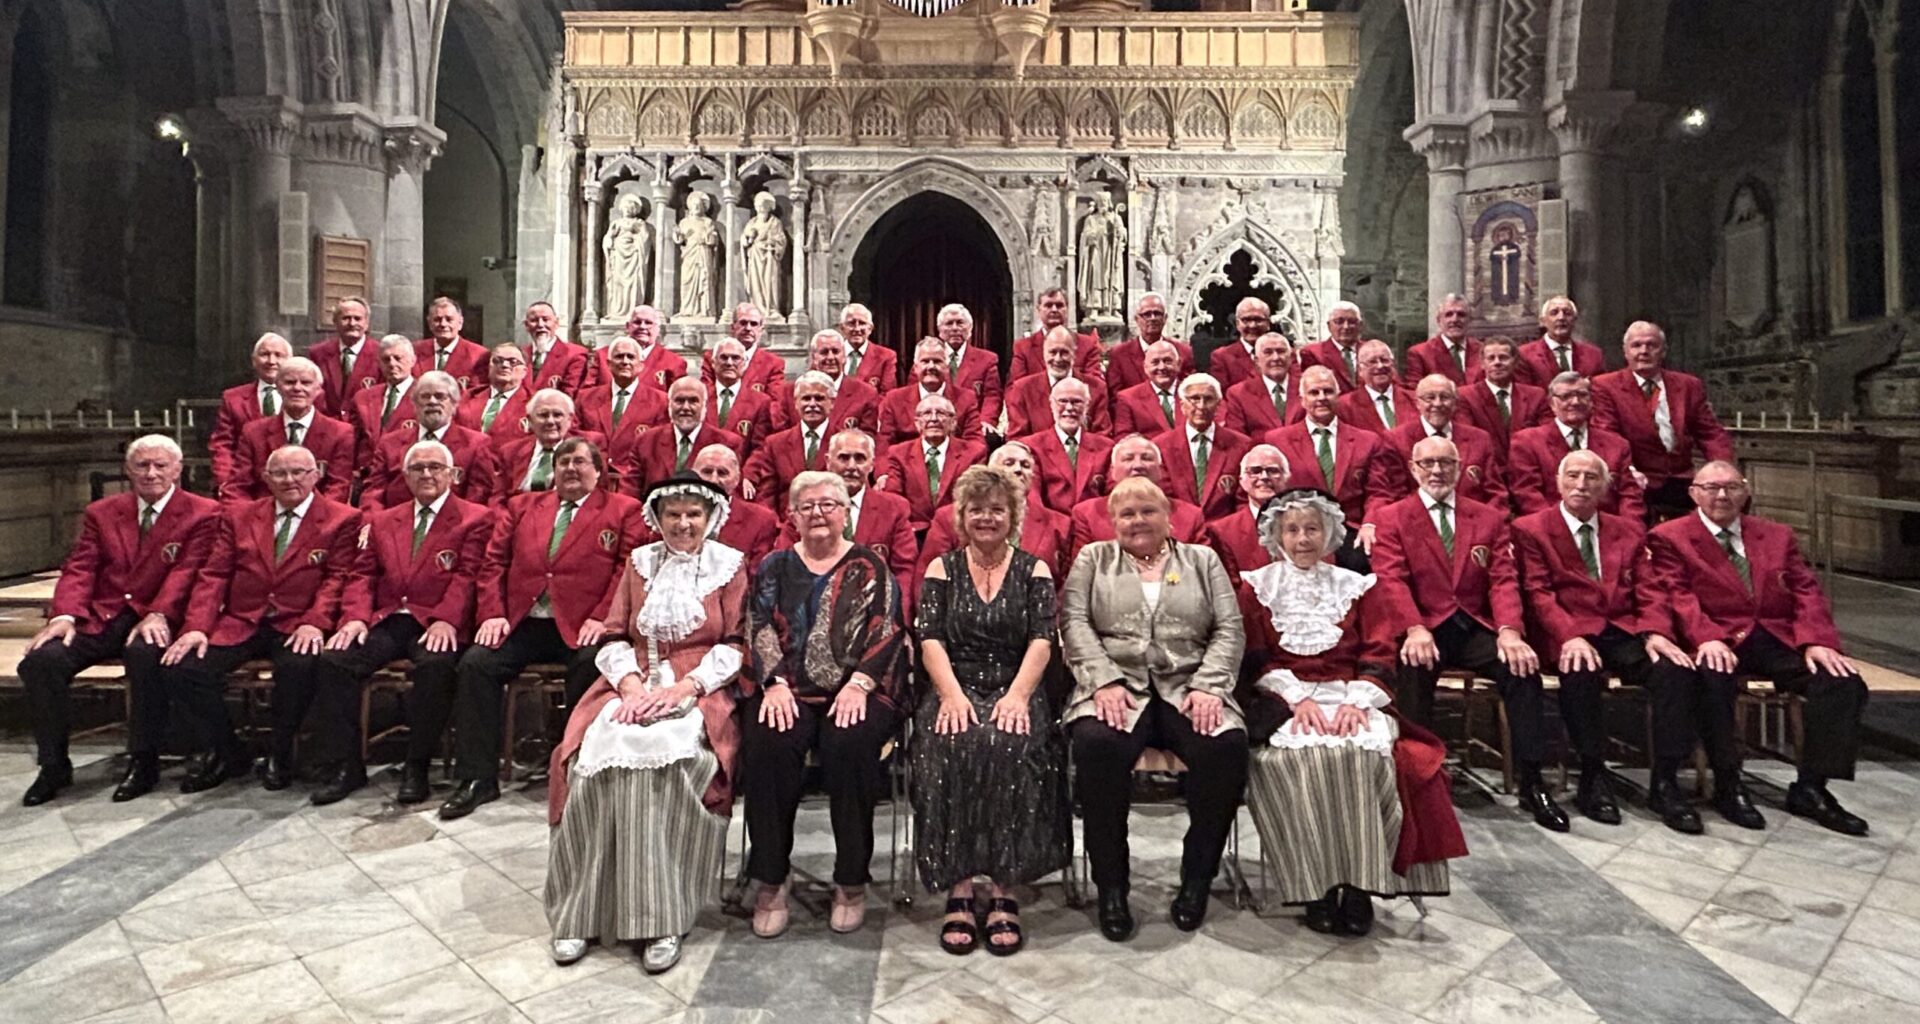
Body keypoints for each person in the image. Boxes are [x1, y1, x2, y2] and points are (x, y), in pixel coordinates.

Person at [544, 473, 751, 974]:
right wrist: (632, 687)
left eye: (693, 514)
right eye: (673, 514)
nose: (683, 523)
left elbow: (737, 643)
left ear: (710, 519)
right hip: (632, 681)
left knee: (673, 763)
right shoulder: (639, 565)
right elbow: (615, 634)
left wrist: (685, 689)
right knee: (592, 759)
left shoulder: (729, 567)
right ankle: (582, 911)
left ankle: (662, 916)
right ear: (657, 519)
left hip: (700, 687)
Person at [1239, 488, 1465, 935]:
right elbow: (1255, 658)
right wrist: (1294, 699)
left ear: (1329, 534)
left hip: (1349, 696)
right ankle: (1315, 886)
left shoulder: (1358, 586)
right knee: (1298, 764)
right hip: (1287, 702)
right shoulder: (1256, 588)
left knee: (1363, 758)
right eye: (1292, 529)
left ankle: (1361, 884)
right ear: (1276, 535)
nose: (1303, 538)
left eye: (1312, 529)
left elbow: (1379, 651)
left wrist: (1356, 700)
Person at [1061, 476, 1247, 940]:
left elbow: (1229, 628)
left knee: (1226, 747)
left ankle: (1197, 877)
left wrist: (1209, 686)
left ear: (1169, 517)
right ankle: (1112, 887)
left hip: (1188, 686)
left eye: (1147, 511)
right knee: (1096, 746)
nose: (1137, 521)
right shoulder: (1094, 559)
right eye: (1126, 514)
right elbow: (1074, 622)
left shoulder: (1202, 560)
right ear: (1113, 522)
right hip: (1116, 686)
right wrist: (1101, 680)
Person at [1649, 460, 1870, 835]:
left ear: (1746, 491)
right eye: (1712, 488)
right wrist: (1707, 638)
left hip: (1775, 636)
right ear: (1694, 493)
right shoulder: (1671, 537)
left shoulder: (1777, 535)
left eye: (1731, 487)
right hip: (1719, 636)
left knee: (1842, 682)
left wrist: (1817, 642)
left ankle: (1811, 786)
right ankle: (1728, 781)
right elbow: (1678, 595)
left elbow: (1805, 590)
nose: (1722, 495)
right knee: (1713, 679)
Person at [442, 439, 648, 819]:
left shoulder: (624, 510)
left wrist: (603, 617)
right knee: (476, 664)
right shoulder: (521, 507)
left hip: (583, 624)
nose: (571, 468)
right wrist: (492, 613)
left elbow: (627, 570)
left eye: (580, 462)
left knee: (591, 663)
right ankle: (476, 779)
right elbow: (493, 565)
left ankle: (576, 772)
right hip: (524, 620)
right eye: (563, 461)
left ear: (599, 470)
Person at [1370, 437, 1566, 831]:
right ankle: (1417, 780)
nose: (1437, 471)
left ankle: (1532, 781)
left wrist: (1510, 632)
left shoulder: (1488, 518)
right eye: (1427, 464)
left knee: (1521, 670)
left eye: (1446, 463)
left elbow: (1503, 580)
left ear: (1459, 469)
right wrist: (1414, 627)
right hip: (1425, 625)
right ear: (1413, 469)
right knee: (1412, 665)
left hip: (1473, 624)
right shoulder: (1393, 517)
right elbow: (1391, 579)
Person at [743, 472, 906, 938]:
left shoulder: (871, 564)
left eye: (829, 504)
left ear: (846, 512)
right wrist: (772, 683)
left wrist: (859, 683)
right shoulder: (774, 565)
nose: (818, 513)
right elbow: (758, 626)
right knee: (769, 744)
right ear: (792, 515)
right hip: (788, 689)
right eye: (807, 505)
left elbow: (888, 628)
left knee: (850, 746)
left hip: (857, 689)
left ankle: (851, 879)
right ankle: (771, 877)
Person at [913, 465, 1067, 956]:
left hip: (1016, 681)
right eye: (976, 509)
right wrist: (953, 696)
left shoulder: (1034, 569)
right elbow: (930, 639)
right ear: (962, 515)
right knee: (951, 743)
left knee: (1010, 745)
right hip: (953, 680)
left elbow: (1043, 640)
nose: (986, 518)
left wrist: (1019, 696)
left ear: (1013, 515)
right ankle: (959, 886)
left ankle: (1004, 886)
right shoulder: (942, 568)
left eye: (996, 509)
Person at [17, 436, 220, 805]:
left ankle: (143, 760)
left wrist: (159, 612)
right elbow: (80, 567)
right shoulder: (103, 512)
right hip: (105, 613)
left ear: (178, 470)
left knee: (145, 656)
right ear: (128, 471)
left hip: (161, 614)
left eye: (160, 465)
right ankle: (53, 766)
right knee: (40, 662)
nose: (151, 473)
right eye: (142, 465)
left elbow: (188, 572)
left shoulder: (203, 512)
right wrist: (64, 615)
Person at [1513, 451, 1705, 833]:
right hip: (1568, 630)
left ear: (1606, 486)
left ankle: (1665, 782)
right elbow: (1538, 593)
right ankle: (1592, 774)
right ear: (1558, 481)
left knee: (1675, 671)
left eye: (1590, 478)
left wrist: (1656, 633)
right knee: (1581, 671)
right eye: (1573, 476)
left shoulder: (1628, 530)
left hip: (1622, 627)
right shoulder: (1531, 528)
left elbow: (1649, 589)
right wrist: (1570, 636)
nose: (1581, 485)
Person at [161, 446, 360, 794]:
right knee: (184, 668)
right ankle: (228, 752)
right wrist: (196, 628)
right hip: (243, 619)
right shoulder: (239, 516)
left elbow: (337, 578)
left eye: (299, 472)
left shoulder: (341, 518)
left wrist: (315, 621)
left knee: (299, 666)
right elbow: (215, 575)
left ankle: (282, 752)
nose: (290, 480)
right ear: (266, 479)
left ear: (316, 475)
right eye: (280, 473)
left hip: (298, 621)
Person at [312, 440, 494, 806]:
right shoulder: (383, 520)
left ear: (452, 475)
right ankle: (347, 766)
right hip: (390, 616)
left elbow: (469, 576)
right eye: (418, 469)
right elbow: (362, 575)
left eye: (435, 467)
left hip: (438, 619)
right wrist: (354, 619)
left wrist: (446, 620)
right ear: (406, 477)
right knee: (335, 660)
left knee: (436, 664)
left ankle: (417, 765)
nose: (426, 474)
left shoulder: (476, 517)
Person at [1591, 320, 1733, 515]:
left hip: (1682, 479)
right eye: (1636, 345)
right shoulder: (1605, 386)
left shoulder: (1688, 385)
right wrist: (1629, 470)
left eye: (1652, 345)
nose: (1644, 351)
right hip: (1636, 480)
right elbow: (1607, 435)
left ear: (1663, 351)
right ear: (1625, 352)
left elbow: (1710, 432)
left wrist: (1721, 468)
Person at [1265, 366, 1397, 571]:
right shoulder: (1278, 440)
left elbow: (1378, 492)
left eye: (1327, 391)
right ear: (1302, 400)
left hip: (1351, 531)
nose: (1321, 398)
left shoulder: (1367, 441)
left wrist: (1370, 524)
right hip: (1300, 532)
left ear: (1338, 396)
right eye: (1314, 392)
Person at [782, 430, 919, 599]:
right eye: (844, 458)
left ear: (872, 464)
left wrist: (895, 618)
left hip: (874, 612)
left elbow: (904, 571)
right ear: (828, 461)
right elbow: (785, 563)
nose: (852, 466)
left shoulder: (894, 508)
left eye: (860, 458)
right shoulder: (806, 507)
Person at [917, 441, 1072, 581]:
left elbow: (1066, 587)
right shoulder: (949, 517)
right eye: (1009, 463)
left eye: (1025, 465)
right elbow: (929, 577)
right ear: (990, 471)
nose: (1018, 469)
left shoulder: (1059, 524)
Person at [1508, 371, 1645, 521]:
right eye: (1566, 396)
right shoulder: (1527, 442)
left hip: (1608, 530)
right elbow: (1527, 493)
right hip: (1550, 530)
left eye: (1582, 395)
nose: (1575, 402)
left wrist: (1628, 530)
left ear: (1592, 401)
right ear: (1552, 404)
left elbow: (1630, 495)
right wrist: (1563, 525)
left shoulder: (1617, 445)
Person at [361, 370, 503, 512]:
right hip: (394, 526)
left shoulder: (475, 444)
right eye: (425, 397)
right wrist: (372, 523)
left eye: (440, 397)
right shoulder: (389, 443)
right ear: (414, 404)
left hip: (454, 525)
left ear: (454, 405)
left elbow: (479, 495)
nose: (432, 402)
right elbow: (374, 492)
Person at [226, 357, 356, 505]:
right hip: (262, 518)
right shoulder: (253, 433)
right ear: (278, 387)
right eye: (289, 382)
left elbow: (338, 487)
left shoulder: (340, 433)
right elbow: (237, 486)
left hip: (318, 520)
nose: (297, 388)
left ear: (318, 389)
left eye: (306, 383)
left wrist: (309, 519)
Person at [1065, 435, 1207, 565]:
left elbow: (1203, 571)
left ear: (1160, 470)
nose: (1138, 466)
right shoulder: (1087, 514)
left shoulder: (1191, 516)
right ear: (1112, 471)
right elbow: (1082, 573)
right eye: (1128, 458)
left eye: (1147, 458)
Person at [1384, 375, 1507, 510]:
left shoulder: (1479, 439)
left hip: (1474, 523)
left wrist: (1484, 522)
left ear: (1455, 403)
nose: (1437, 404)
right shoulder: (1395, 440)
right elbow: (1397, 496)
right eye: (1430, 398)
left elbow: (1496, 494)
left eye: (1445, 397)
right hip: (1418, 522)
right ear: (1417, 403)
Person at [879, 394, 988, 534]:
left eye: (941, 413)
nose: (934, 419)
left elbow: (974, 498)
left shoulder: (974, 453)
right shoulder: (898, 453)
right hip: (913, 532)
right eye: (927, 413)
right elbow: (894, 497)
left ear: (953, 422)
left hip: (957, 531)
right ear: (917, 423)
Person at [623, 378, 744, 495]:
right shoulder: (646, 441)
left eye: (693, 401)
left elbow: (733, 492)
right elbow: (630, 491)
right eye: (679, 401)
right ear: (669, 405)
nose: (686, 407)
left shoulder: (727, 443)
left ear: (705, 406)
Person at [1154, 373, 1251, 520]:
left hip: (1225, 530)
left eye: (1208, 399)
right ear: (1182, 405)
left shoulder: (1241, 445)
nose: (1201, 406)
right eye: (1194, 399)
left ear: (1218, 405)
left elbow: (1243, 500)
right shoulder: (1161, 446)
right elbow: (1163, 497)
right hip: (1178, 528)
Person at [1015, 377, 1113, 516]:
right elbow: (1033, 500)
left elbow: (1112, 496)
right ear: (1051, 404)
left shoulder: (1106, 447)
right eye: (1063, 401)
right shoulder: (1031, 447)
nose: (1069, 408)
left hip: (1094, 526)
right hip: (1052, 527)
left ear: (1087, 406)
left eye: (1077, 402)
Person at [745, 371, 835, 516]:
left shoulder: (844, 442)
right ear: (796, 403)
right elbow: (767, 494)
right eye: (806, 398)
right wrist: (775, 527)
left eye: (819, 398)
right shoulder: (776, 444)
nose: (812, 404)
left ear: (832, 403)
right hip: (786, 528)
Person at [209, 333, 291, 490]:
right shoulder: (233, 398)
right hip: (245, 484)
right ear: (254, 361)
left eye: (278, 355)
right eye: (265, 354)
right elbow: (222, 444)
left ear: (289, 361)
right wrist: (225, 482)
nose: (271, 361)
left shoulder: (303, 396)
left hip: (290, 482)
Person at [1005, 326, 1112, 436]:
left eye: (1064, 352)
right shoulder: (1023, 389)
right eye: (1053, 352)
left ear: (1074, 354)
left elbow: (1103, 435)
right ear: (1044, 354)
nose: (1058, 359)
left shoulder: (1096, 388)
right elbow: (1017, 438)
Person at [688, 445, 781, 571]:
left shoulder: (761, 520)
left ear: (737, 479)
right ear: (693, 475)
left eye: (722, 473)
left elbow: (757, 577)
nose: (714, 480)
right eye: (707, 472)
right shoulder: (672, 514)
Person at [1204, 445, 1289, 583]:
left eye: (1273, 471)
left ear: (1287, 478)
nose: (1264, 477)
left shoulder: (1304, 525)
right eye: (1255, 471)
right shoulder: (1222, 531)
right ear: (1241, 480)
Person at [877, 338, 985, 445]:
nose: (931, 366)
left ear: (947, 367)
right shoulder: (894, 399)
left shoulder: (966, 398)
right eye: (925, 361)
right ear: (915, 367)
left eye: (937, 361)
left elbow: (976, 442)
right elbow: (884, 444)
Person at [1455, 338, 1550, 457]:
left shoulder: (1536, 396)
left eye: (1503, 357)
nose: (1497, 362)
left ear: (1515, 362)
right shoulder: (1466, 396)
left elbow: (1546, 437)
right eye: (1491, 358)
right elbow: (1468, 438)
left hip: (1527, 464)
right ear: (1482, 364)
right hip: (1487, 466)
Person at [500, 390, 604, 495]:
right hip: (517, 508)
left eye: (557, 415)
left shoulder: (589, 445)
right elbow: (498, 497)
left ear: (570, 419)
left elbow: (597, 492)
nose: (550, 421)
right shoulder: (510, 451)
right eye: (543, 415)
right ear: (530, 420)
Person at [786, 328, 880, 434]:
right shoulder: (788, 392)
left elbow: (868, 439)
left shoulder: (866, 394)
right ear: (813, 357)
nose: (830, 357)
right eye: (824, 352)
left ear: (844, 356)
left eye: (835, 352)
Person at [576, 336, 669, 441]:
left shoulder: (660, 402)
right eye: (619, 356)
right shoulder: (585, 399)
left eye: (631, 357)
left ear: (641, 365)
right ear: (609, 364)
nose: (625, 361)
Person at [347, 335, 419, 467]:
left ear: (413, 360)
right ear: (379, 363)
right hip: (366, 474)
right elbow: (352, 441)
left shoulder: (425, 396)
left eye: (398, 358)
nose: (392, 364)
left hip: (404, 472)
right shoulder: (362, 398)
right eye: (386, 359)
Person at [1009, 287, 1104, 385]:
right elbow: (1015, 386)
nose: (1054, 310)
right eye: (1048, 305)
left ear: (1067, 308)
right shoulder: (1023, 347)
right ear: (1038, 309)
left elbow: (1095, 385)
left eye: (1059, 305)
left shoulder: (1087, 345)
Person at [1105, 292, 1193, 396]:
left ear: (1165, 318)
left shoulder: (1183, 352)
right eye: (1147, 314)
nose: (1152, 318)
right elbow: (1115, 397)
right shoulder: (1119, 354)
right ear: (1137, 319)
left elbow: (1190, 391)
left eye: (1157, 313)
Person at [586, 304, 687, 393]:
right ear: (627, 326)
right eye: (637, 322)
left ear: (658, 329)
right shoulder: (603, 356)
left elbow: (678, 399)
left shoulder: (674, 362)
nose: (642, 327)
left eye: (648, 323)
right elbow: (587, 394)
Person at [1219, 331, 1302, 437]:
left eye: (1281, 351)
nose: (1276, 358)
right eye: (1268, 352)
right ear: (1256, 361)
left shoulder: (1308, 388)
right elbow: (1237, 438)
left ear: (1291, 357)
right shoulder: (1238, 394)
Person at [936, 303, 1005, 428]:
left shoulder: (987, 360)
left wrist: (985, 423)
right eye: (949, 323)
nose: (955, 328)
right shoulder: (927, 359)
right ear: (940, 330)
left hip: (973, 428)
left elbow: (992, 396)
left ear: (970, 328)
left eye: (960, 323)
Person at [1517, 295, 1606, 387]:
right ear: (1543, 321)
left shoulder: (1593, 355)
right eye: (1554, 313)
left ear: (1574, 320)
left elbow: (1599, 391)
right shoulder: (1525, 354)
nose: (1561, 317)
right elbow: (1525, 394)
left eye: (1567, 313)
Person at [308, 296, 376, 417]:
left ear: (366, 323)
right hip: (328, 427)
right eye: (346, 318)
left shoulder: (380, 354)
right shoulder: (318, 354)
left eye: (357, 318)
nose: (352, 323)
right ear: (335, 322)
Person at [457, 344, 534, 447]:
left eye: (513, 362)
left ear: (524, 371)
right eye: (497, 360)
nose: (504, 365)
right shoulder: (467, 397)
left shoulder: (534, 402)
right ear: (489, 366)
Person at [1333, 339, 1415, 435]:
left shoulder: (1414, 400)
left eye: (1384, 360)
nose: (1380, 366)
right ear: (1360, 370)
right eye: (1372, 362)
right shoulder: (1344, 406)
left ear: (1393, 364)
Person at [1110, 340, 1186, 439]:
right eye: (1155, 362)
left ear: (1179, 364)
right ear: (1145, 367)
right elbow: (1123, 438)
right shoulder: (1127, 398)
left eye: (1167, 361)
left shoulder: (1194, 394)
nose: (1162, 367)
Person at [706, 338, 777, 442]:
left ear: (744, 364)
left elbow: (760, 447)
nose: (729, 363)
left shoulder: (760, 402)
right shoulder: (699, 397)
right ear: (713, 362)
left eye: (735, 358)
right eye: (724, 357)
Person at [1404, 293, 1482, 385]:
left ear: (1470, 320)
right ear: (1439, 320)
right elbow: (1414, 391)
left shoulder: (1483, 350)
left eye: (1461, 315)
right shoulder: (1420, 353)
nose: (1455, 320)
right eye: (1449, 315)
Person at [414, 296, 490, 388]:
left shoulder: (479, 355)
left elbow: (478, 394)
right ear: (429, 323)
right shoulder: (414, 351)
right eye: (437, 320)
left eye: (449, 319)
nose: (443, 324)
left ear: (460, 323)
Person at [1295, 301, 1369, 392]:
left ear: (1360, 325)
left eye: (1352, 322)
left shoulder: (1371, 351)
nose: (1346, 326)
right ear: (1329, 326)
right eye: (1339, 322)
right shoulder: (1313, 353)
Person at [523, 301, 592, 395]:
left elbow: (570, 393)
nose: (540, 325)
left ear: (556, 323)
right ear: (526, 326)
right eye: (534, 320)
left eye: (545, 319)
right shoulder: (520, 355)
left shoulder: (575, 354)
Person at [1206, 297, 1270, 390]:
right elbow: (1221, 397)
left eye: (1258, 320)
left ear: (1268, 323)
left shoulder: (1283, 354)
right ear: (1237, 324)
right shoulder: (1222, 357)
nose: (1252, 325)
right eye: (1246, 320)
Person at [838, 303, 898, 394]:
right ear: (842, 328)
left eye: (862, 323)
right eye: (851, 323)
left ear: (870, 328)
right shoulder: (829, 354)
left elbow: (887, 396)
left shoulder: (886, 357)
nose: (857, 329)